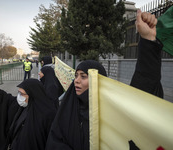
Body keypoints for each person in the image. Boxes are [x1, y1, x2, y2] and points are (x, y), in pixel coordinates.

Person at [45, 10, 163, 150]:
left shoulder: (112, 111)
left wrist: (148, 40)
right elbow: (55, 140)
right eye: (76, 76)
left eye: (83, 77)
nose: (76, 81)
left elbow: (143, 94)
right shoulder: (67, 108)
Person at [0, 72, 57, 150]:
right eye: (18, 92)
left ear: (33, 95)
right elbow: (2, 96)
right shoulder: (21, 105)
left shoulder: (48, 115)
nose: (19, 96)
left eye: (22, 94)